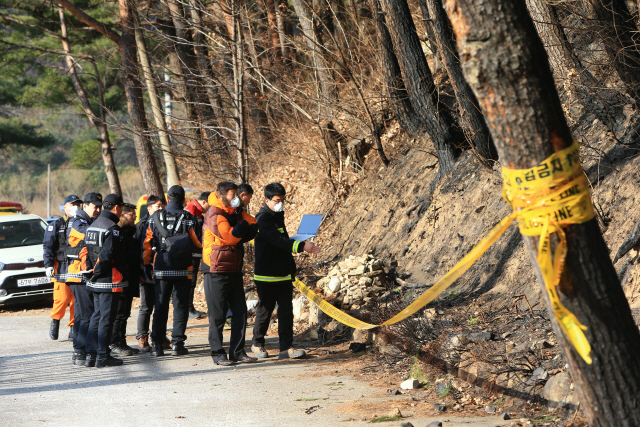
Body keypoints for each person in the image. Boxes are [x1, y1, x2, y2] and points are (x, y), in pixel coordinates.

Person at [251, 183, 321, 360]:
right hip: (266, 274)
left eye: (282, 200)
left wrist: (296, 242)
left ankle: (286, 347)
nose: (280, 203)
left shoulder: (277, 215)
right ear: (266, 199)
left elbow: (282, 240)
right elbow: (277, 241)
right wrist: (301, 246)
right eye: (277, 200)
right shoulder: (263, 219)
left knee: (286, 311)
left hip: (283, 272)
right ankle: (257, 343)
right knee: (265, 310)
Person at [202, 181, 258, 366]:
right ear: (221, 195)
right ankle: (218, 354)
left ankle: (238, 351)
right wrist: (242, 229)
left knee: (240, 312)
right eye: (232, 194)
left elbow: (252, 223)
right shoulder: (214, 213)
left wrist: (243, 228)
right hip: (215, 269)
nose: (235, 197)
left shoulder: (234, 212)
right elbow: (229, 237)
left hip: (234, 268)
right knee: (217, 315)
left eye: (236, 194)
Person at [143, 185, 202, 357]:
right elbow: (198, 242)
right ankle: (177, 344)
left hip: (161, 267)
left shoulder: (154, 218)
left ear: (168, 199)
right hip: (183, 269)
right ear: (184, 200)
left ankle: (158, 345)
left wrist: (147, 265)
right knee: (180, 306)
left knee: (160, 307)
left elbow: (146, 244)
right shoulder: (188, 218)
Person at [84, 194, 127, 368]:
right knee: (106, 319)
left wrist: (92, 272)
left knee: (96, 316)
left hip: (95, 279)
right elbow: (108, 255)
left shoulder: (93, 225)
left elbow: (87, 252)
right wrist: (98, 271)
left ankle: (91, 355)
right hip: (109, 278)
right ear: (116, 207)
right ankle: (103, 356)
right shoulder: (112, 228)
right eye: (122, 208)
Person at [66, 192, 102, 366]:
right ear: (85, 206)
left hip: (81, 273)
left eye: (100, 207)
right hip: (78, 273)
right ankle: (85, 351)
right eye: (95, 206)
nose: (98, 210)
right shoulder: (78, 222)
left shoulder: (87, 221)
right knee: (87, 314)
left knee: (82, 314)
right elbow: (91, 237)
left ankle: (79, 351)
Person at [43, 194, 82, 341]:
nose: (75, 207)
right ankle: (55, 321)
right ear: (64, 207)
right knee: (61, 298)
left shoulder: (82, 223)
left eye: (78, 204)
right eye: (72, 204)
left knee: (76, 300)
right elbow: (48, 246)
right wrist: (48, 265)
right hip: (60, 268)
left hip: (76, 268)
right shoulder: (55, 224)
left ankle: (73, 327)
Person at [135, 195, 166, 352]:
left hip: (162, 270)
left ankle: (159, 336)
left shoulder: (166, 222)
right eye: (157, 206)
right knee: (146, 306)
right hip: (146, 271)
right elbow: (138, 250)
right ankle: (142, 338)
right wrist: (141, 270)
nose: (160, 209)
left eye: (162, 206)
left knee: (162, 305)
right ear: (149, 208)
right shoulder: (142, 225)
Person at [109, 203, 140, 356]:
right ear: (122, 215)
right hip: (120, 277)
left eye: (134, 215)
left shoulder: (132, 231)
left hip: (131, 277)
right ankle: (114, 342)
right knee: (119, 313)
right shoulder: (118, 232)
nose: (133, 217)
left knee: (125, 313)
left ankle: (122, 341)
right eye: (130, 215)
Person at [184, 191, 211, 319]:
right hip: (191, 252)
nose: (210, 209)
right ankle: (187, 309)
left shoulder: (198, 211)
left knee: (192, 280)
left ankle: (190, 308)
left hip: (196, 251)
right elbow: (192, 233)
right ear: (204, 201)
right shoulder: (191, 210)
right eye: (209, 205)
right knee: (190, 280)